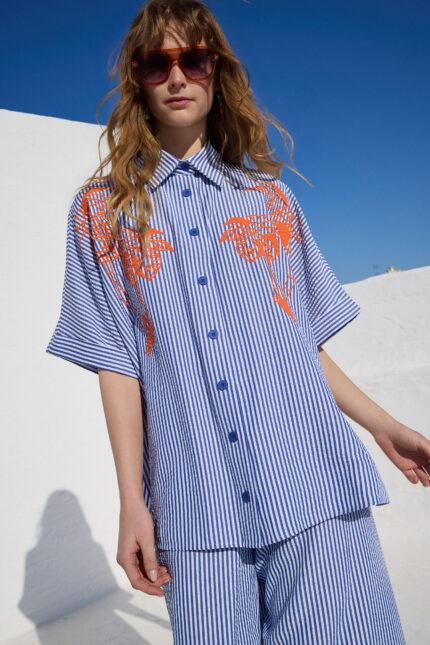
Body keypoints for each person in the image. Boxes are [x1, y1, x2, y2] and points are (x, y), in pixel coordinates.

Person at [46, 1, 429, 642]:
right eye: (156, 63)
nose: (176, 76)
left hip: (313, 482)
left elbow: (300, 343)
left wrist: (384, 427)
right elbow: (117, 362)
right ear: (137, 78)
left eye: (193, 59)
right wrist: (132, 502)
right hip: (193, 504)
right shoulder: (100, 213)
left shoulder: (271, 202)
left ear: (216, 71)